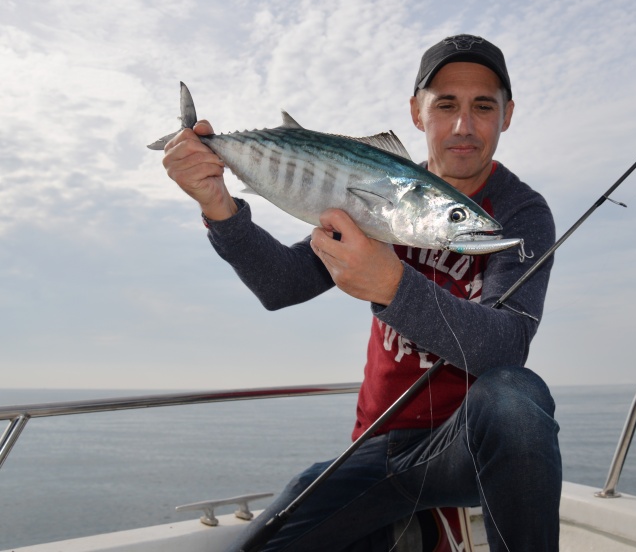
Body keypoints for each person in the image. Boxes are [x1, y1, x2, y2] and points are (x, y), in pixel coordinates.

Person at [162, 34, 561, 551]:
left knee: (515, 398)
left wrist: (392, 285)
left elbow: (506, 348)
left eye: (483, 106)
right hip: (379, 446)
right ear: (417, 114)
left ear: (507, 115)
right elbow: (281, 284)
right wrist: (218, 206)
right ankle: (406, 526)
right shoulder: (375, 188)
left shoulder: (519, 213)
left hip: (463, 445)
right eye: (445, 105)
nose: (463, 126)